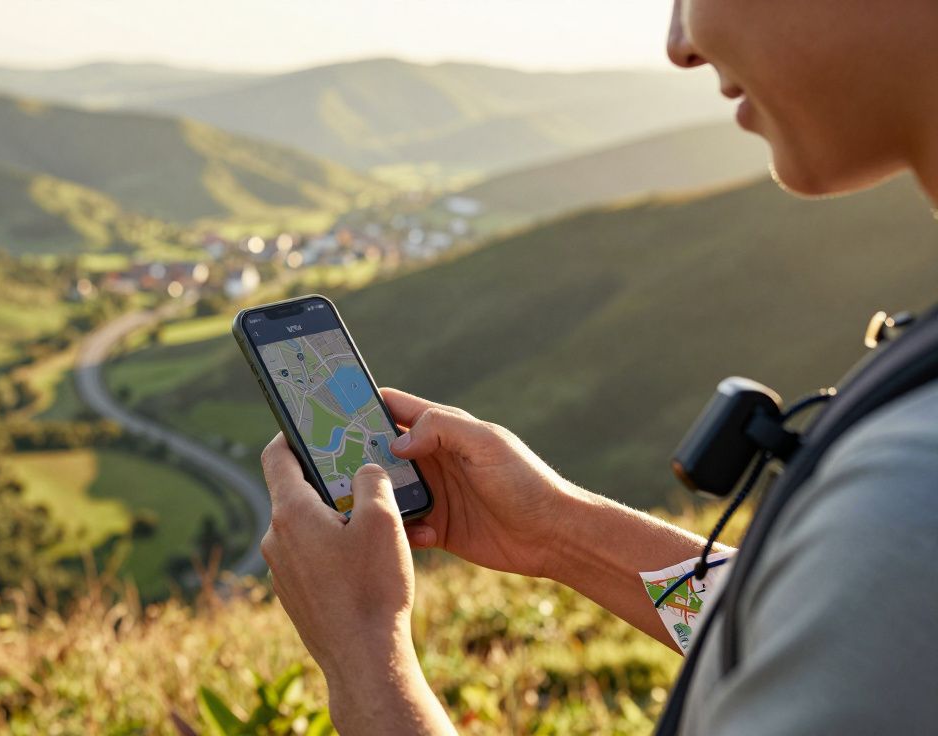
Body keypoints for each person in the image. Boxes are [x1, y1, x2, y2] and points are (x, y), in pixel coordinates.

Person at [258, 1, 938, 733]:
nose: (680, 43)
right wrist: (557, 530)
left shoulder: (908, 503)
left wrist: (366, 656)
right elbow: (811, 624)